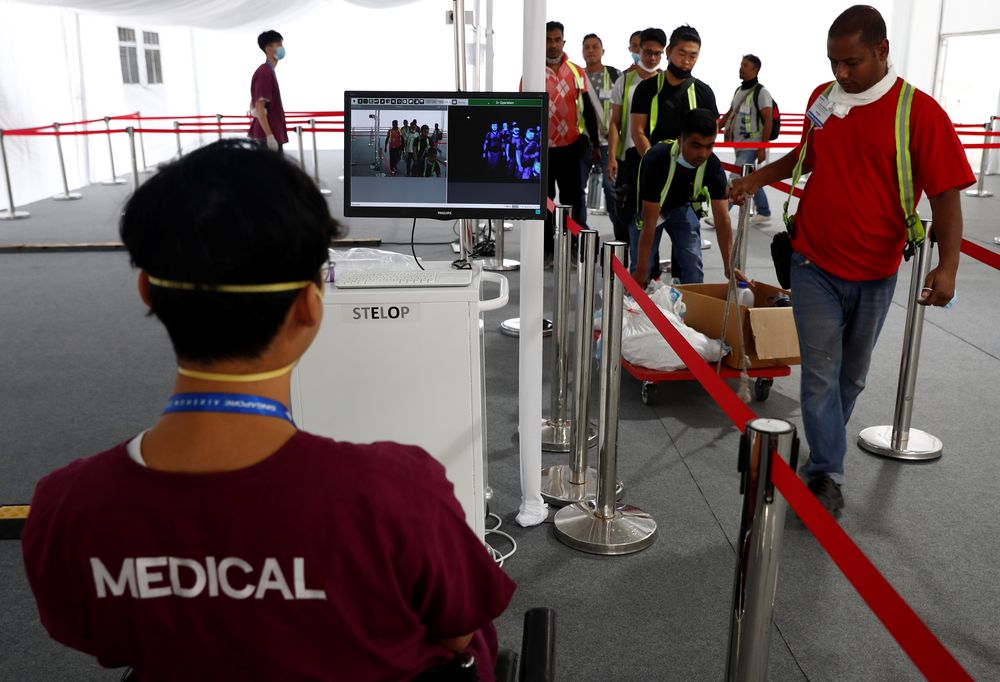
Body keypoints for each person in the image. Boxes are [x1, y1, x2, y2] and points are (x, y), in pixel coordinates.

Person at [20, 140, 516, 680]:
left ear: (148, 291)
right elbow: (459, 628)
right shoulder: (395, 495)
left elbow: (93, 634)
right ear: (309, 304)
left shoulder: (68, 508)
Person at [729, 5, 975, 515]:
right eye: (833, 62)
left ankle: (821, 452)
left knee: (850, 378)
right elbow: (807, 157)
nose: (840, 73)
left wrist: (947, 265)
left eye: (852, 62)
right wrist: (756, 178)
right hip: (813, 261)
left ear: (883, 51)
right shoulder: (824, 97)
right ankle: (826, 474)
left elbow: (947, 196)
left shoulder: (920, 113)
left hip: (877, 273)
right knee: (820, 372)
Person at [630, 25, 719, 283]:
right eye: (682, 53)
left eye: (693, 55)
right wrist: (658, 164)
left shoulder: (703, 92)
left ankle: (691, 317)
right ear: (669, 52)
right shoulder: (647, 90)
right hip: (652, 191)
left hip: (686, 195)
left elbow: (708, 139)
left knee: (692, 264)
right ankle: (639, 315)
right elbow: (638, 131)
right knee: (643, 262)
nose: (687, 60)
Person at [634, 108, 734, 290]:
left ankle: (690, 312)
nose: (703, 154)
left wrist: (729, 266)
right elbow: (649, 222)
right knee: (641, 268)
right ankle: (634, 312)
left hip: (682, 207)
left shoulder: (712, 165)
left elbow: (722, 218)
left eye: (709, 146)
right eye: (696, 145)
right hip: (652, 210)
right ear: (681, 140)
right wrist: (641, 270)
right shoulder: (656, 159)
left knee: (693, 265)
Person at [540, 20, 600, 259]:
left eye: (557, 40)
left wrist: (595, 144)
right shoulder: (532, 70)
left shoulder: (576, 71)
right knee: (544, 202)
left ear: (563, 42)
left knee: (572, 200)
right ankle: (545, 249)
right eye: (548, 40)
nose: (553, 45)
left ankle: (572, 248)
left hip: (570, 147)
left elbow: (587, 110)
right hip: (543, 150)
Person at [607, 27, 665, 272]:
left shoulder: (666, 81)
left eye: (656, 53)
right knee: (627, 215)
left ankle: (650, 274)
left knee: (656, 220)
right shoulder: (624, 81)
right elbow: (614, 122)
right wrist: (612, 155)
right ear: (637, 51)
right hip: (629, 161)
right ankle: (631, 271)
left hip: (660, 160)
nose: (651, 58)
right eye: (647, 52)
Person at [718, 54, 774, 223]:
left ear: (755, 69)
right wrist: (714, 128)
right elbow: (730, 113)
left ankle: (721, 214)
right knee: (750, 176)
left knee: (734, 177)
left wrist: (763, 147)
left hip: (752, 145)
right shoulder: (739, 91)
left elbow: (768, 119)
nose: (741, 68)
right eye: (741, 64)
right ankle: (764, 211)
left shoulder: (761, 92)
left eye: (745, 65)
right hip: (739, 145)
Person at [580, 33, 622, 230]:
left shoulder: (615, 75)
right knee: (576, 191)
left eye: (595, 46)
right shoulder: (577, 76)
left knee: (611, 189)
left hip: (608, 144)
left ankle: (621, 236)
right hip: (582, 144)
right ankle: (579, 234)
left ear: (602, 51)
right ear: (582, 52)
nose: (591, 50)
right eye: (586, 47)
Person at [247, 30, 288, 152]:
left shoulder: (268, 71)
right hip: (266, 137)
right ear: (268, 48)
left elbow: (254, 104)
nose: (282, 48)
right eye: (279, 44)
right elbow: (260, 107)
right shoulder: (265, 72)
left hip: (269, 135)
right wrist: (270, 136)